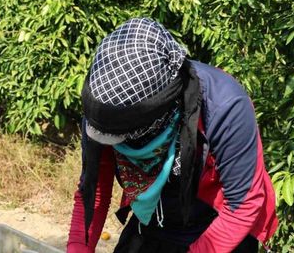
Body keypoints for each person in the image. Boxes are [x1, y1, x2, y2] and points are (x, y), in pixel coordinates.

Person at [67, 18, 278, 252]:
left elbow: (243, 205)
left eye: (121, 136)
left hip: (219, 228)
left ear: (156, 114)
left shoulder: (224, 106)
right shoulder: (105, 110)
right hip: (153, 221)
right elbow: (93, 192)